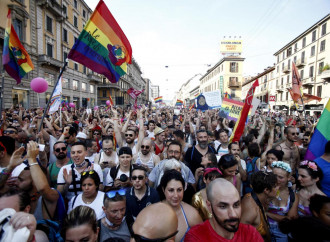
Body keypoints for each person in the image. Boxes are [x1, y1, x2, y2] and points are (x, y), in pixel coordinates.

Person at [185, 178, 263, 241]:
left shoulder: (250, 233)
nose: (233, 214)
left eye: (236, 205)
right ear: (209, 206)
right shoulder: (195, 237)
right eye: (223, 206)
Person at [159, 169, 202, 241]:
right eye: (171, 190)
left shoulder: (192, 214)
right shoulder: (153, 213)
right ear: (163, 190)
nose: (176, 195)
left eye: (179, 190)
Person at [241, 171, 278, 241]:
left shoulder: (254, 197)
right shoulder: (251, 209)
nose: (277, 188)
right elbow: (240, 235)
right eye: (275, 186)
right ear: (266, 190)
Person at [267, 161, 299, 242]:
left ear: (289, 178)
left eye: (280, 177)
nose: (276, 180)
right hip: (264, 229)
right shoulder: (265, 190)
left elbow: (290, 219)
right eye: (274, 176)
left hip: (282, 233)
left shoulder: (293, 196)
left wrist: (267, 213)